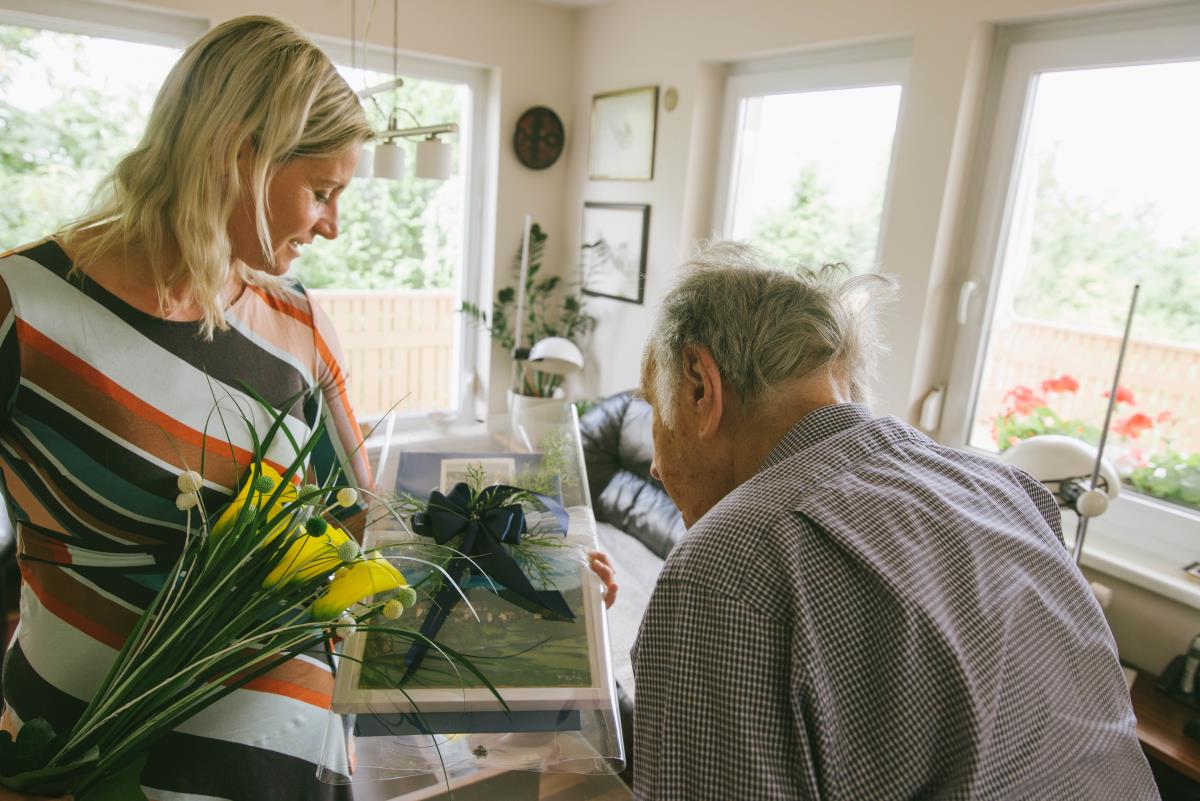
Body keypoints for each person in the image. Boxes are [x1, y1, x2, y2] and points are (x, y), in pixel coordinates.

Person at [0, 16, 615, 801]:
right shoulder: (24, 307)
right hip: (77, 759)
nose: (331, 224)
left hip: (286, 765)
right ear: (238, 156)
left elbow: (366, 528)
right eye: (321, 192)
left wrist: (547, 573)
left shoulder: (297, 324)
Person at [630, 242, 1157, 801]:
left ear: (701, 387)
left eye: (653, 408)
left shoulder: (724, 570)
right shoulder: (1010, 490)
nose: (655, 465)